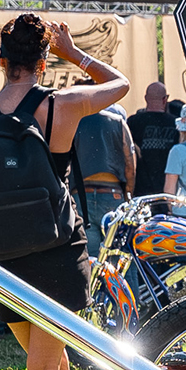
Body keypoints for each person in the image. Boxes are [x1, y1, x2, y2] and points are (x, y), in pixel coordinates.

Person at [0, 14, 130, 370]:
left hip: (2, 252)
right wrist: (76, 54)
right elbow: (121, 84)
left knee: (47, 358)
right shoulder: (63, 104)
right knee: (46, 364)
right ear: (43, 64)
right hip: (56, 248)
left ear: (1, 61)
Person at [69, 86, 135, 258]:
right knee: (118, 257)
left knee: (89, 257)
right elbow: (130, 165)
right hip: (112, 195)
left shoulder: (73, 123)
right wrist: (128, 195)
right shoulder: (118, 122)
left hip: (81, 196)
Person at [128, 81, 180, 198]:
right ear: (165, 99)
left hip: (140, 189)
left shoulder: (133, 122)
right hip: (167, 189)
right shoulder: (175, 124)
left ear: (146, 98)